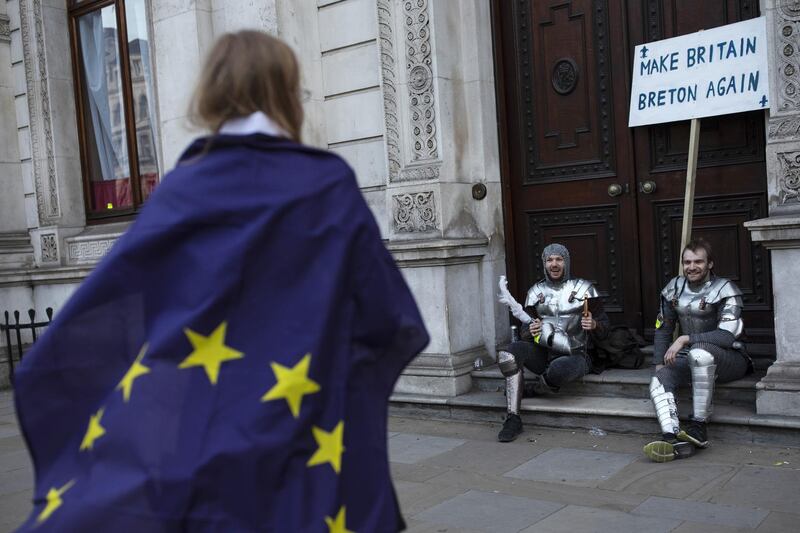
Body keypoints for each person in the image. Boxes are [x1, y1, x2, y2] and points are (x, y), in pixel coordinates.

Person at [13, 31, 428, 532]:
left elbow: (114, 304)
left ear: (211, 93)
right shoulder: (326, 183)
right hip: (302, 437)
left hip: (199, 438)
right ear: (286, 92)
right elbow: (387, 315)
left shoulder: (183, 189)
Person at [643, 239, 751, 462]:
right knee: (659, 378)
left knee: (699, 352)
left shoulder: (725, 289)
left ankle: (699, 427)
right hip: (692, 357)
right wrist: (659, 365)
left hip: (731, 359)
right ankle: (671, 438)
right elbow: (663, 329)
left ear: (710, 264)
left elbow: (727, 336)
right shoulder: (674, 288)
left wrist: (685, 338)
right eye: (687, 262)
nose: (692, 267)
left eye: (698, 262)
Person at [497, 243, 609, 442]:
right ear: (544, 263)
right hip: (544, 353)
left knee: (559, 369)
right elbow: (525, 329)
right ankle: (513, 418)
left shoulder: (584, 289)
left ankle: (537, 388)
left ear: (566, 262)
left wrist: (594, 325)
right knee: (509, 354)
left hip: (576, 355)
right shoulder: (535, 292)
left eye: (559, 259)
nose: (554, 264)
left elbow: (606, 329)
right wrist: (529, 331)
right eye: (550, 260)